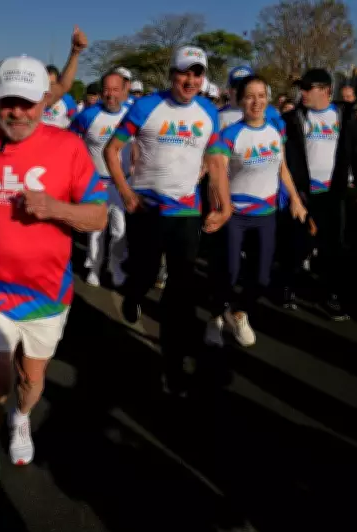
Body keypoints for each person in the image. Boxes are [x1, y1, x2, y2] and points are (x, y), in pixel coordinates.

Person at [0, 55, 107, 513]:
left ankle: (22, 419)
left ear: (44, 101)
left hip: (46, 291)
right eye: (7, 102)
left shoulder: (69, 147)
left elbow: (97, 215)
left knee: (30, 379)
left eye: (26, 103)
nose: (16, 112)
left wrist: (55, 208)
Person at [104, 45, 229, 395]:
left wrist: (225, 205)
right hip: (148, 210)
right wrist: (127, 193)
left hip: (186, 212)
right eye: (184, 73)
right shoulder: (146, 106)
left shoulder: (208, 111)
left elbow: (216, 161)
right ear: (171, 74)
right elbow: (111, 150)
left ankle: (172, 365)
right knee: (144, 273)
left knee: (181, 289)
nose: (190, 80)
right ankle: (133, 292)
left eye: (197, 74)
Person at [205, 75, 307, 347]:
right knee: (229, 272)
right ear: (239, 100)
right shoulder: (230, 134)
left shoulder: (275, 129)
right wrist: (218, 208)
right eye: (250, 96)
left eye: (261, 95)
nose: (256, 101)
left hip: (266, 215)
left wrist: (295, 199)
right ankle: (214, 319)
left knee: (262, 277)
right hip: (235, 215)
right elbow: (217, 176)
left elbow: (282, 168)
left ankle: (238, 313)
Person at [281, 68, 357, 319]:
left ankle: (331, 294)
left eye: (308, 88)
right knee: (296, 243)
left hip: (334, 193)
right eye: (302, 88)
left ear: (325, 91)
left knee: (334, 246)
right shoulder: (293, 118)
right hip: (303, 193)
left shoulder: (345, 117)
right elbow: (284, 157)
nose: (303, 93)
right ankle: (287, 286)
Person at [70, 70, 130, 288]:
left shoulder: (132, 115)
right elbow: (70, 141)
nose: (110, 95)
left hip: (122, 184)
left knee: (120, 230)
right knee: (96, 230)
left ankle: (115, 267)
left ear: (125, 91)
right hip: (95, 184)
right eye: (106, 90)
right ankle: (94, 268)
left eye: (116, 90)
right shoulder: (87, 115)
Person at [219, 65, 282, 130]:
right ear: (229, 90)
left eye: (247, 85)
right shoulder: (218, 115)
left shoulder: (272, 113)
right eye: (237, 86)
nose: (242, 90)